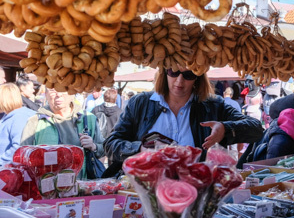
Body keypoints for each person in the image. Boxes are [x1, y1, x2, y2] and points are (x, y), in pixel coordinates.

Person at [104, 67, 263, 170]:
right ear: (164, 71)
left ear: (198, 76)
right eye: (173, 72)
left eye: (188, 74)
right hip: (142, 193)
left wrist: (225, 130)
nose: (179, 81)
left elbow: (256, 129)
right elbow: (111, 144)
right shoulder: (140, 103)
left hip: (196, 195)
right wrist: (141, 148)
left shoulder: (213, 105)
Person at [20, 88, 104, 179]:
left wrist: (93, 146)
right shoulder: (35, 121)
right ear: (46, 94)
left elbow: (104, 148)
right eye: (52, 90)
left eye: (63, 89)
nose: (58, 94)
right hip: (46, 189)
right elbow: (22, 157)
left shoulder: (88, 118)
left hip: (82, 188)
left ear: (72, 93)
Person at [0, 84, 36, 165]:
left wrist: (2, 160)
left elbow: (18, 147)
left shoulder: (20, 117)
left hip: (9, 169)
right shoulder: (10, 115)